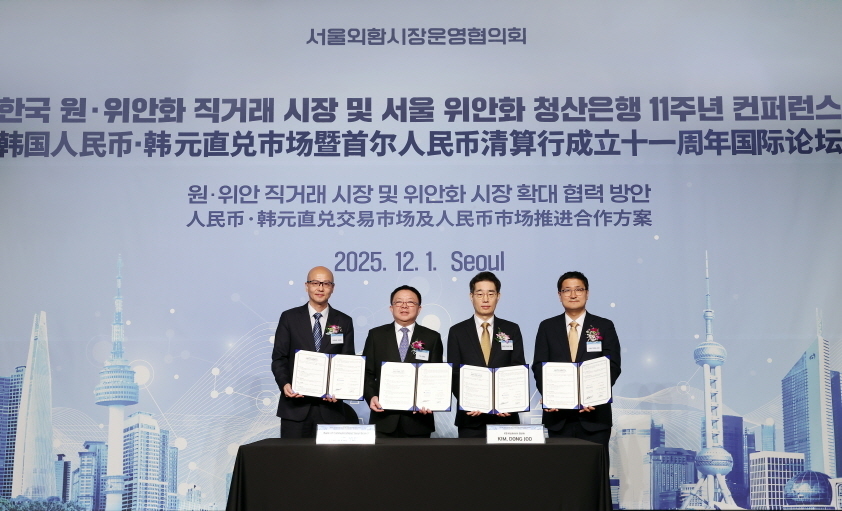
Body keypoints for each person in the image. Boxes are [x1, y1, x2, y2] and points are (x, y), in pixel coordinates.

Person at [532, 271, 621, 446]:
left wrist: (593, 396)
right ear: (559, 295)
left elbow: (613, 365)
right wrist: (550, 395)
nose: (573, 295)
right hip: (558, 417)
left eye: (579, 289)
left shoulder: (604, 326)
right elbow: (539, 366)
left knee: (594, 464)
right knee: (561, 463)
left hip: (595, 417)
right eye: (567, 290)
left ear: (587, 293)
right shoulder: (547, 327)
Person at [271, 266, 356, 438]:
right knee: (293, 455)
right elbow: (279, 358)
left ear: (332, 288)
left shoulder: (344, 321)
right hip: (295, 408)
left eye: (326, 283)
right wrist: (285, 384)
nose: (320, 288)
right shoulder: (289, 318)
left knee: (328, 457)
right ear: (306, 286)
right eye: (315, 283)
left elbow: (347, 361)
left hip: (330, 409)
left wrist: (340, 391)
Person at [447, 271, 526, 438]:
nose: (485, 299)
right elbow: (454, 373)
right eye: (479, 294)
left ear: (498, 296)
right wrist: (468, 401)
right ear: (471, 296)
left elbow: (517, 367)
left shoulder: (511, 329)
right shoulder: (457, 332)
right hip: (470, 418)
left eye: (491, 294)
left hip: (505, 415)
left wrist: (509, 403)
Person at [363, 285, 444, 438]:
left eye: (410, 302)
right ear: (391, 308)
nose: (404, 306)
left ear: (419, 309)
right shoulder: (376, 335)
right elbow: (367, 372)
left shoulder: (432, 338)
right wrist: (371, 396)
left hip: (418, 421)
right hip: (384, 419)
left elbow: (436, 377)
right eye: (399, 302)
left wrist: (431, 401)